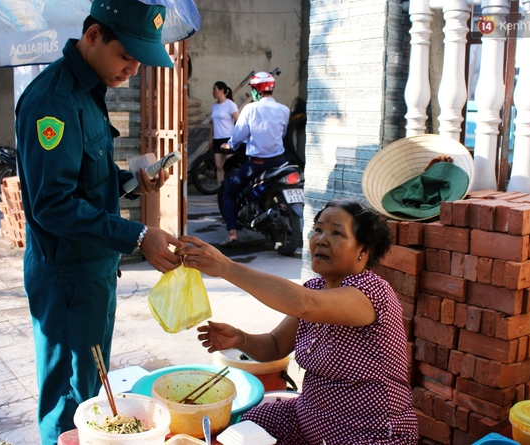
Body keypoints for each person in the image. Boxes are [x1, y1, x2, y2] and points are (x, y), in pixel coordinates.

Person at [14, 1, 183, 443]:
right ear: (93, 36)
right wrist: (139, 234)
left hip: (93, 273)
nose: (131, 69)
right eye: (126, 56)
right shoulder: (54, 101)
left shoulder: (90, 91)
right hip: (66, 277)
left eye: (138, 61)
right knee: (69, 405)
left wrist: (131, 183)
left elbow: (87, 182)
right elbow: (53, 204)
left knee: (89, 391)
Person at [178, 199, 419, 445]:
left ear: (363, 250)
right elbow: (274, 345)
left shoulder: (371, 292)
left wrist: (226, 267)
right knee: (250, 424)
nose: (321, 239)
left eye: (336, 232)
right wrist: (242, 339)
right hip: (308, 421)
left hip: (369, 433)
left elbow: (306, 304)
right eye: (317, 229)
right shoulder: (315, 287)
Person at [219, 71, 289, 246]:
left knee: (229, 193)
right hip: (280, 162)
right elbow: (283, 133)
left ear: (256, 91)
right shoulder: (284, 109)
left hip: (256, 164)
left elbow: (238, 135)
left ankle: (232, 234)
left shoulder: (250, 109)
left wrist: (230, 145)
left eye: (253, 90)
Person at [209, 81, 240, 186]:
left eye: (215, 89)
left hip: (228, 138)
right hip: (217, 138)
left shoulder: (230, 104)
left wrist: (236, 138)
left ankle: (231, 191)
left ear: (221, 91)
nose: (213, 92)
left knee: (229, 166)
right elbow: (212, 123)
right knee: (219, 166)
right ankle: (220, 191)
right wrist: (210, 138)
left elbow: (239, 122)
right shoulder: (214, 106)